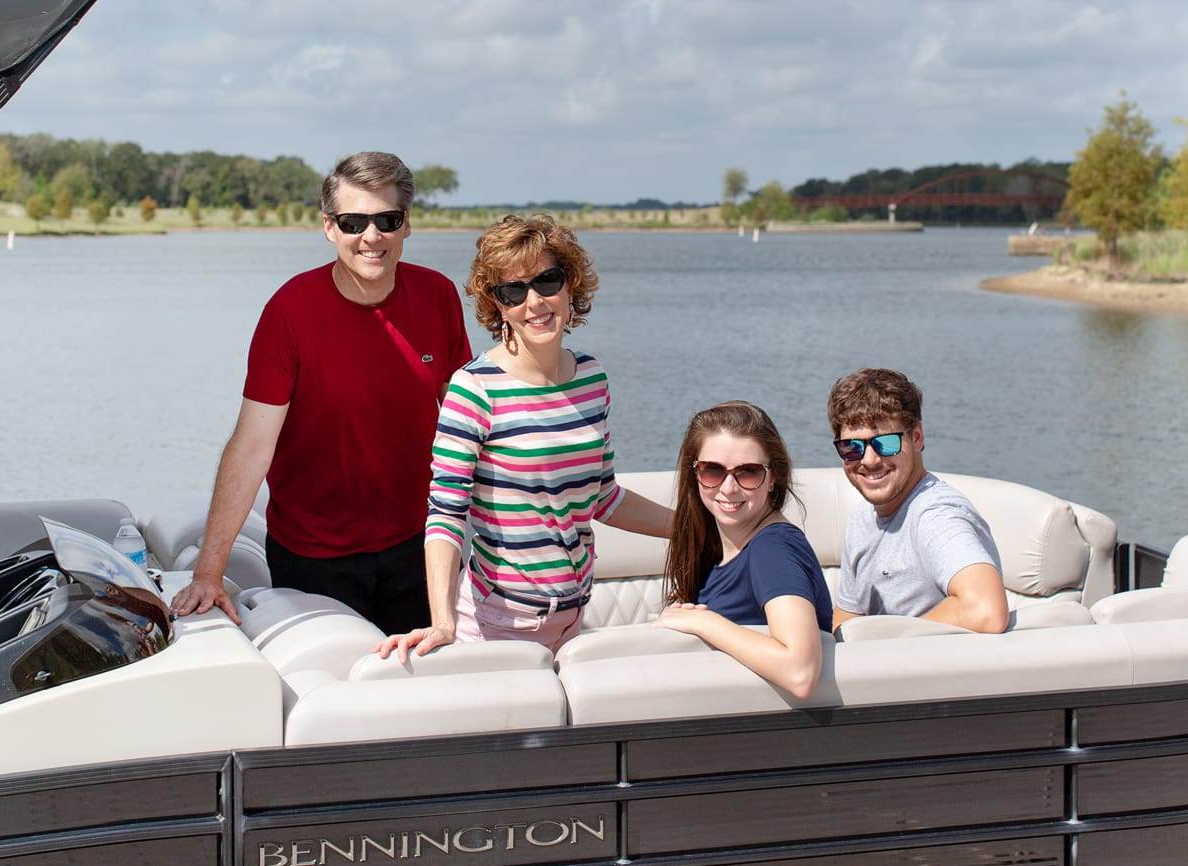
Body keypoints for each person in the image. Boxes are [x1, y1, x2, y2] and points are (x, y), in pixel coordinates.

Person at [171, 151, 470, 631]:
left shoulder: (438, 296)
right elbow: (251, 448)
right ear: (329, 227)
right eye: (353, 222)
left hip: (420, 546)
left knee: (419, 697)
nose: (371, 237)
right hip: (313, 558)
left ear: (406, 225)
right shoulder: (290, 312)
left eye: (386, 220)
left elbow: (466, 423)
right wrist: (209, 573)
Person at [378, 213, 672, 660]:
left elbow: (603, 498)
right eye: (513, 291)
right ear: (498, 306)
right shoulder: (474, 389)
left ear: (570, 284)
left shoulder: (591, 377)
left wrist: (695, 528)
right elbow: (445, 513)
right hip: (496, 624)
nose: (534, 302)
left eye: (547, 281)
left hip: (574, 618)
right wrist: (442, 621)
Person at [655, 401, 831, 699]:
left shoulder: (773, 549)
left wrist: (704, 622)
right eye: (712, 471)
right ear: (694, 473)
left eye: (748, 472)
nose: (729, 487)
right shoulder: (718, 547)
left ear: (773, 476)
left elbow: (800, 671)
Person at [829, 367, 1008, 633]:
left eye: (885, 443)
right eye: (852, 448)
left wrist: (889, 645)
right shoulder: (862, 517)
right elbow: (845, 621)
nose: (869, 460)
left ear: (917, 438)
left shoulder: (936, 515)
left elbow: (986, 611)